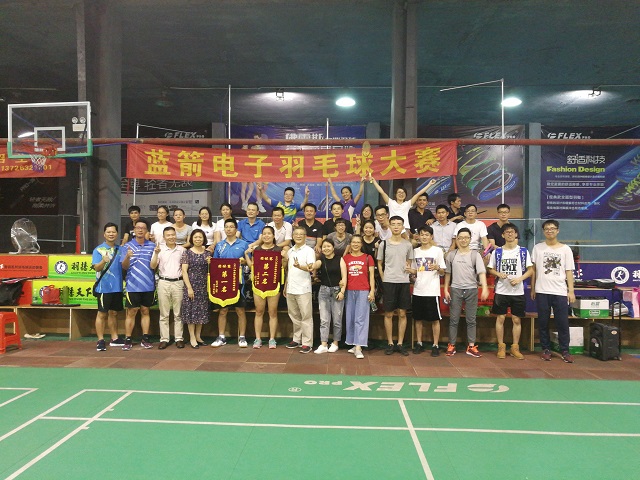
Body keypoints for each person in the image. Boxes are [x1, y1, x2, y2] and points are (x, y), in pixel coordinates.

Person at [530, 220, 576, 363]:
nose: (549, 231)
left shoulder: (566, 249)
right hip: (542, 290)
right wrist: (533, 288)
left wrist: (571, 291)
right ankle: (545, 349)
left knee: (562, 323)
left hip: (560, 291)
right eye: (547, 229)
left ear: (557, 230)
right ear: (543, 231)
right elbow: (533, 270)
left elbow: (569, 271)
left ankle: (565, 351)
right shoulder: (537, 248)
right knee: (543, 322)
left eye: (552, 228)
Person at [487, 223, 533, 360]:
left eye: (512, 232)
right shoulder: (497, 252)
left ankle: (515, 347)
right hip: (501, 290)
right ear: (502, 235)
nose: (510, 234)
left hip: (518, 292)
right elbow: (490, 269)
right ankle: (501, 346)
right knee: (500, 318)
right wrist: (498, 274)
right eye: (507, 232)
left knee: (516, 319)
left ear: (516, 234)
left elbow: (530, 270)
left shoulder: (523, 251)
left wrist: (520, 279)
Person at [443, 227, 489, 358]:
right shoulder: (451, 255)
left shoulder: (475, 255)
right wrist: (446, 289)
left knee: (471, 320)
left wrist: (485, 288)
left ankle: (471, 346)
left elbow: (481, 272)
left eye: (466, 238)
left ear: (470, 239)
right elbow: (447, 274)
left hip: (471, 289)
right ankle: (451, 345)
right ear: (457, 239)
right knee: (454, 319)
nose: (463, 240)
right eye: (461, 238)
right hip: (455, 289)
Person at [376, 215, 414, 355]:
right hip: (389, 282)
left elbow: (410, 262)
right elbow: (379, 263)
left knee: (402, 313)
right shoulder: (384, 244)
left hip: (403, 282)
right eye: (393, 224)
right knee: (389, 313)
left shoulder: (408, 245)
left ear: (403, 227)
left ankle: (400, 343)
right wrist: (383, 278)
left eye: (399, 224)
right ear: (390, 226)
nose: (396, 226)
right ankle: (390, 343)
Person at [211, 218, 250, 348]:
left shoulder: (243, 244)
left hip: (238, 281)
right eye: (226, 227)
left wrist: (244, 261)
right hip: (223, 282)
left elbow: (249, 262)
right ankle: (221, 336)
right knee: (223, 310)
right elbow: (215, 263)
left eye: (231, 227)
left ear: (236, 229)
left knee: (240, 310)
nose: (228, 229)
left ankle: (242, 337)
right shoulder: (219, 245)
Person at [409, 225, 446, 356]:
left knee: (435, 319)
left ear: (431, 237)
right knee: (418, 319)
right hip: (418, 290)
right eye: (422, 234)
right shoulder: (415, 251)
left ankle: (435, 345)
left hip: (432, 291)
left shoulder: (437, 251)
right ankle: (419, 343)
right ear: (418, 236)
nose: (424, 237)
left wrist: (437, 268)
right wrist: (409, 270)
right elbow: (415, 270)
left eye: (427, 235)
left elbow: (443, 271)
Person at [245, 226, 283, 349]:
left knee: (273, 312)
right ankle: (258, 338)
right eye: (264, 234)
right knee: (259, 311)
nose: (266, 236)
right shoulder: (257, 250)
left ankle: (272, 339)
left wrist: (285, 257)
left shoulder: (279, 250)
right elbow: (252, 266)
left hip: (273, 284)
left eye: (269, 233)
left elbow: (283, 266)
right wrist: (246, 255)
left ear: (273, 236)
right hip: (259, 285)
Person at [121, 220, 156, 350]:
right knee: (131, 312)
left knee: (145, 311)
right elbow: (124, 266)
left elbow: (154, 265)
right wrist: (127, 257)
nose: (140, 230)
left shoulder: (152, 246)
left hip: (148, 285)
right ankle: (128, 339)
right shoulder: (127, 246)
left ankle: (145, 338)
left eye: (143, 228)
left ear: (147, 231)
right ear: (134, 230)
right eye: (138, 228)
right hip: (132, 285)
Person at [150, 226, 185, 349]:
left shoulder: (182, 250)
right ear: (164, 237)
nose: (171, 237)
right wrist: (156, 254)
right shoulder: (159, 249)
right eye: (168, 235)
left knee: (178, 313)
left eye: (173, 234)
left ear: (176, 235)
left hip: (178, 282)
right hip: (163, 282)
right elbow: (152, 266)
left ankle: (179, 338)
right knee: (164, 314)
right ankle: (164, 339)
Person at [92, 222, 125, 351]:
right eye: (109, 232)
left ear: (117, 234)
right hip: (103, 288)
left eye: (113, 232)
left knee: (114, 313)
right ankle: (100, 340)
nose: (111, 234)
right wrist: (103, 261)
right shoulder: (98, 250)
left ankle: (114, 338)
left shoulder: (120, 249)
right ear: (104, 234)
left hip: (117, 287)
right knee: (102, 314)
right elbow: (96, 268)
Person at [283, 225, 316, 353]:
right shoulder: (290, 251)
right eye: (296, 234)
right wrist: (286, 285)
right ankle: (296, 339)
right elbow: (289, 270)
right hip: (291, 287)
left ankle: (307, 342)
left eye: (301, 234)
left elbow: (310, 268)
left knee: (306, 316)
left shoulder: (309, 251)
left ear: (305, 237)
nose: (298, 236)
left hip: (303, 288)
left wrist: (299, 266)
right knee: (294, 316)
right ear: (292, 236)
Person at [343, 235, 375, 359]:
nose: (355, 244)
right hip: (349, 290)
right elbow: (344, 275)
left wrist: (372, 291)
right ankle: (353, 342)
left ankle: (359, 346)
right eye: (353, 242)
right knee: (350, 318)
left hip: (363, 290)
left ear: (361, 244)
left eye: (358, 242)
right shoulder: (346, 258)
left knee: (361, 319)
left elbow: (371, 276)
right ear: (350, 244)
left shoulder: (368, 257)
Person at [312, 239, 347, 354]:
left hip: (337, 290)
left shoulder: (340, 259)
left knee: (337, 319)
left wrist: (342, 291)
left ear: (333, 248)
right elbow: (315, 265)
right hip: (324, 291)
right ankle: (324, 344)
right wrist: (311, 266)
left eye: (328, 246)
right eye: (324, 247)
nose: (326, 248)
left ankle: (335, 343)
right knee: (324, 319)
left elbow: (344, 277)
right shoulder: (321, 260)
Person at [369, 175, 437, 231]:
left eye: (403, 192)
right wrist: (374, 182)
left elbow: (418, 194)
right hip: (392, 228)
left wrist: (429, 184)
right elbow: (382, 192)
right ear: (395, 194)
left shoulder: (407, 204)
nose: (401, 194)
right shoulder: (391, 202)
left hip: (405, 228)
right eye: (399, 192)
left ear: (405, 195)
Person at [180, 229, 212, 348]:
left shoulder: (208, 253)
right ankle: (192, 337)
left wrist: (210, 263)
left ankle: (198, 336)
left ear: (204, 239)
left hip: (203, 286)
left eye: (200, 237)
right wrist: (189, 288)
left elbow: (211, 271)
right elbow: (184, 271)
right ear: (191, 239)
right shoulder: (187, 253)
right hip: (191, 284)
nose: (198, 239)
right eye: (195, 237)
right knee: (191, 312)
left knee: (201, 312)